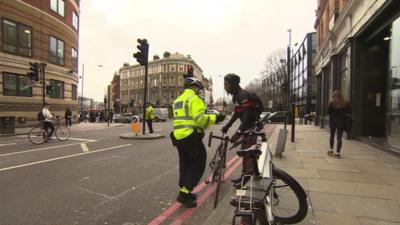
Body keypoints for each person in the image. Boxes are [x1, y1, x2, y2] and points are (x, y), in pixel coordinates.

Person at [171, 77, 226, 208]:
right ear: (194, 87)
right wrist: (215, 117)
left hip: (179, 137)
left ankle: (186, 190)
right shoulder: (194, 99)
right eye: (198, 88)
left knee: (185, 164)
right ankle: (184, 195)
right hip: (191, 137)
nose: (199, 91)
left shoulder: (178, 100)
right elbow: (200, 120)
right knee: (198, 164)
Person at [221, 73, 264, 188]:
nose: (224, 87)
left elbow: (247, 115)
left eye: (226, 84)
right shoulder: (236, 96)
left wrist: (238, 132)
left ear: (233, 84)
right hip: (247, 128)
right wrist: (228, 125)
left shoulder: (243, 95)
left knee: (249, 154)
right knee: (245, 153)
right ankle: (244, 176)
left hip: (252, 127)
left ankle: (246, 179)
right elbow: (237, 113)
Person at [327, 90, 350, 158]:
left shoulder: (331, 103)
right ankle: (337, 152)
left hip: (333, 122)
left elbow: (328, 112)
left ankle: (331, 150)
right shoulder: (346, 103)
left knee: (332, 135)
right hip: (341, 122)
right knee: (339, 137)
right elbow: (348, 112)